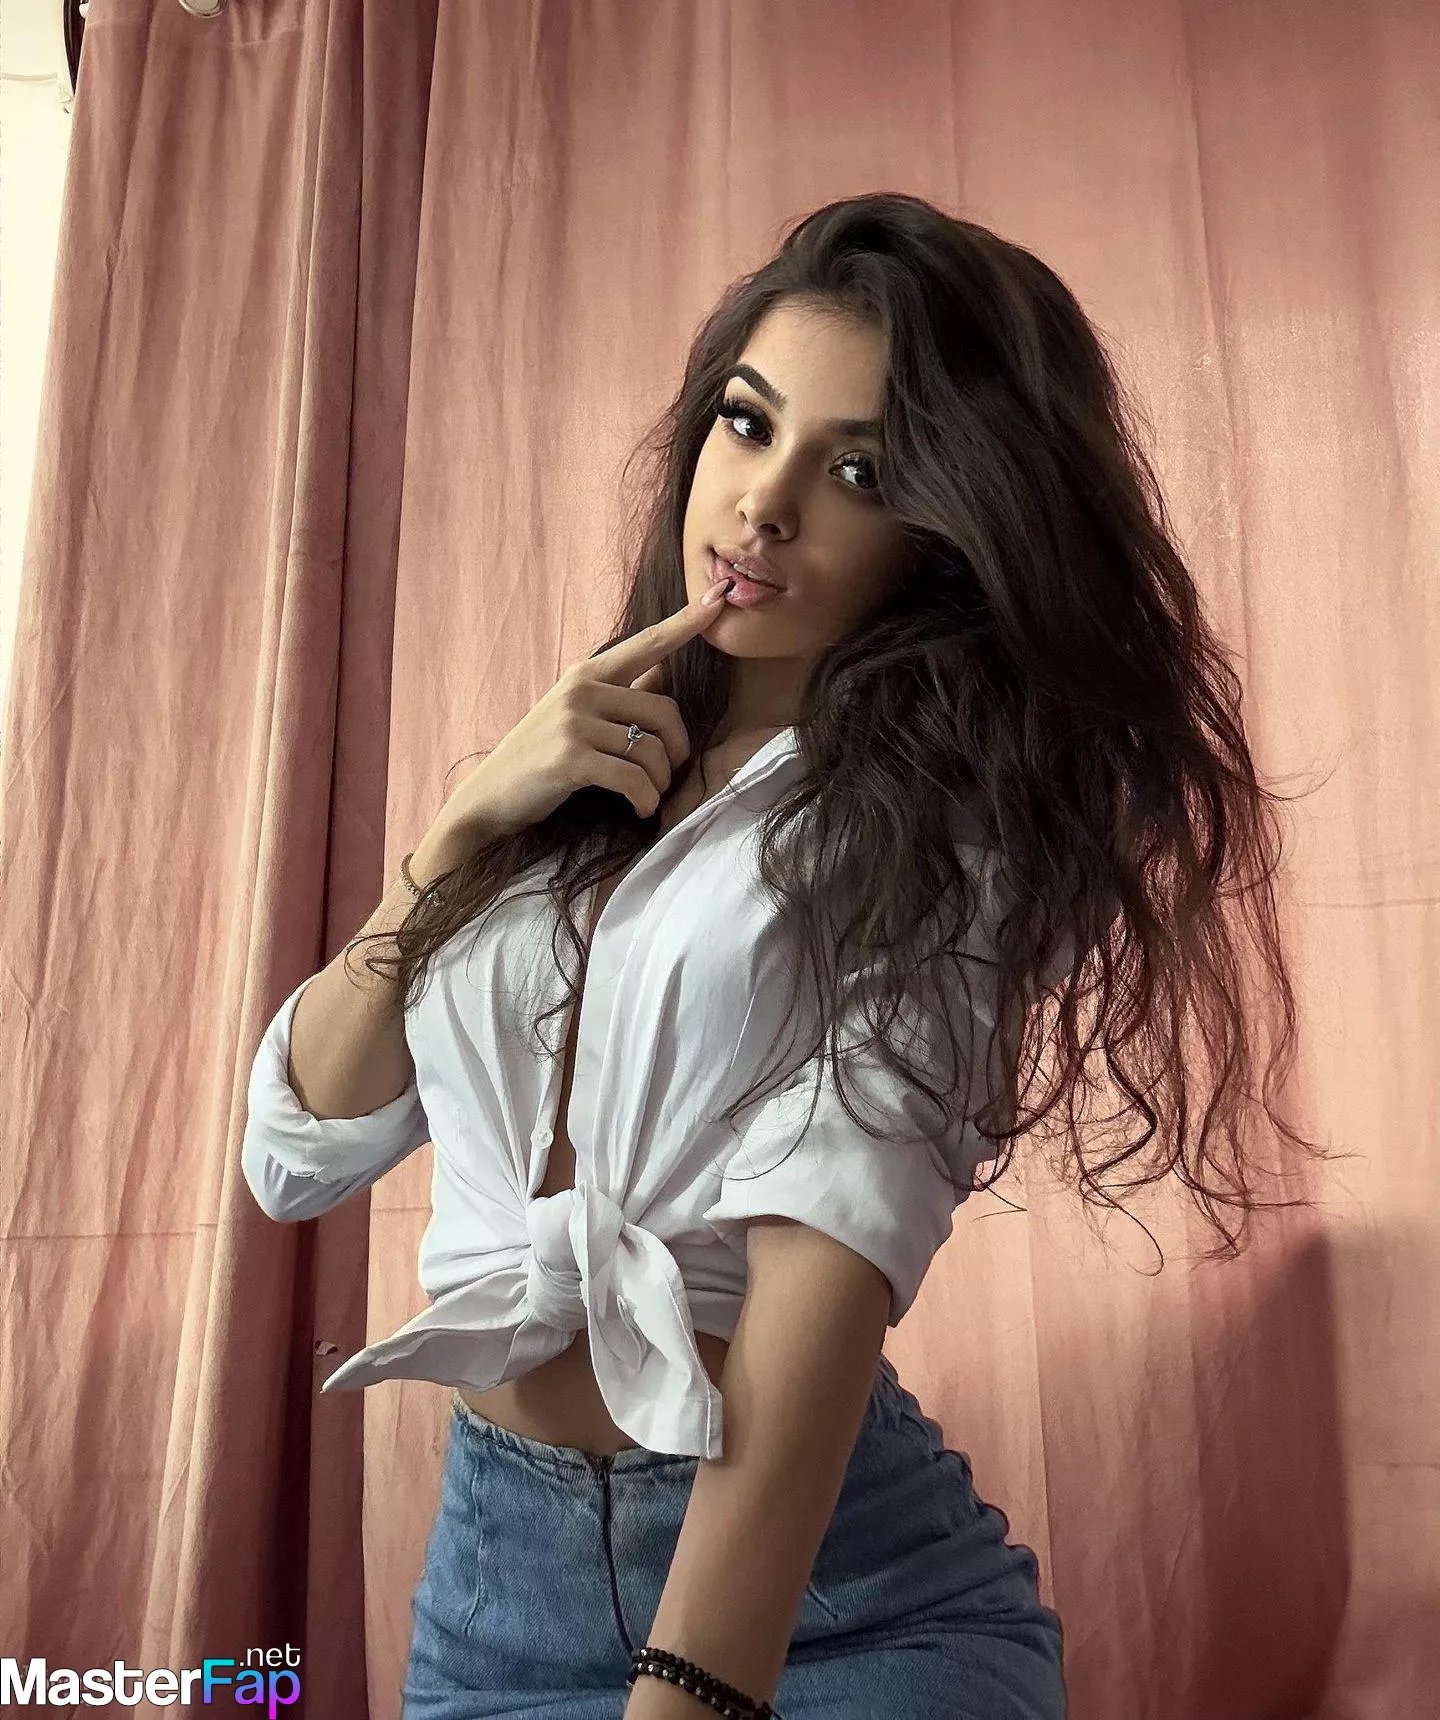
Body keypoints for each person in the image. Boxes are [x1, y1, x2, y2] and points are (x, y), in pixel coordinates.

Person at [242, 192, 1324, 1720]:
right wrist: (456, 834)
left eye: (857, 470)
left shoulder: (939, 844)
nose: (763, 502)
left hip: (828, 1606)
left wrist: (692, 1690)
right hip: (493, 1588)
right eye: (749, 425)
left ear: (940, 537)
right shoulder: (570, 786)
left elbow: (825, 1269)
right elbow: (298, 1153)